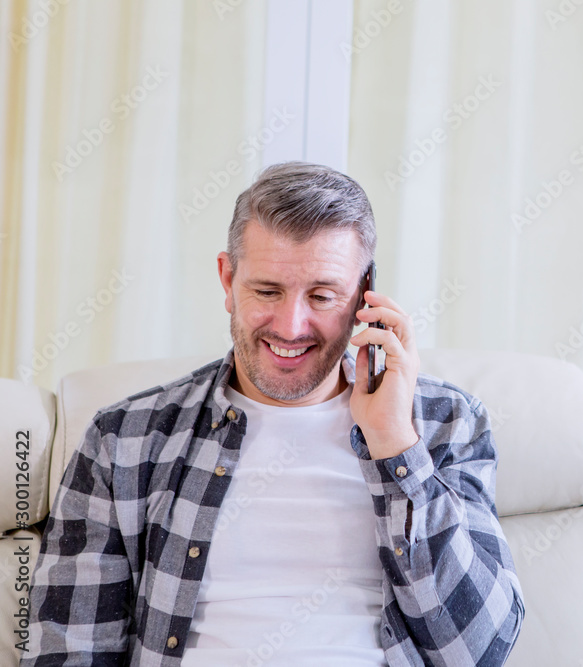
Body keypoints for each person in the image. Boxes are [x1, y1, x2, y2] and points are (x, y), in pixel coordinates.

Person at [21, 162, 525, 666]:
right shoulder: (123, 439)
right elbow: (67, 649)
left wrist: (395, 445)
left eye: (322, 296)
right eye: (267, 291)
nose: (290, 326)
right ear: (227, 279)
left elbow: (479, 649)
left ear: (364, 294)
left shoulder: (445, 424)